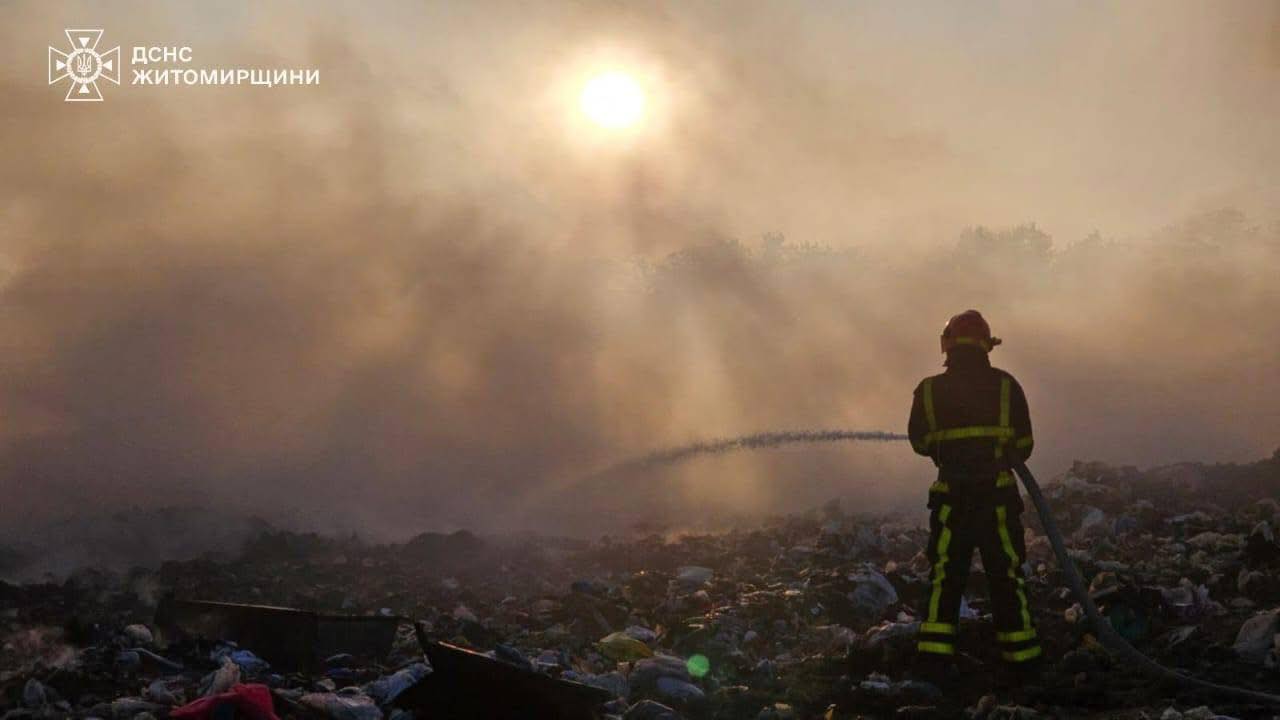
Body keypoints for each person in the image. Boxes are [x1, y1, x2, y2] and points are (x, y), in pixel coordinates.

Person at [907, 310, 1041, 672]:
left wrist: (948, 447)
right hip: (997, 498)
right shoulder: (1006, 387)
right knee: (1006, 574)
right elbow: (1025, 445)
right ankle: (1022, 658)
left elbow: (919, 442)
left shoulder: (929, 390)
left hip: (952, 499)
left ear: (947, 345)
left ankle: (935, 659)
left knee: (946, 574)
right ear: (986, 345)